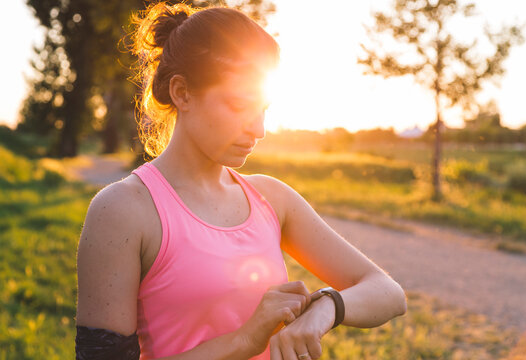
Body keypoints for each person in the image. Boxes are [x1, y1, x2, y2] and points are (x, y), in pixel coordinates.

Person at [75, 3, 407, 360]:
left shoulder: (271, 198)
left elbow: (388, 293)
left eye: (264, 109)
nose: (259, 130)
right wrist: (243, 340)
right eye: (239, 105)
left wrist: (327, 306)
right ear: (182, 92)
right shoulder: (122, 210)